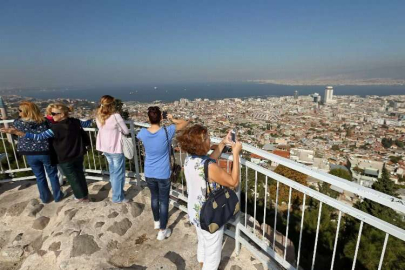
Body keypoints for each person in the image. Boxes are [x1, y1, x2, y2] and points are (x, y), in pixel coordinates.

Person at [177, 124, 242, 270]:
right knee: (213, 253)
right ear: (201, 144)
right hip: (210, 214)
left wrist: (223, 143)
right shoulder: (209, 167)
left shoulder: (189, 160)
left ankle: (201, 262)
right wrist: (236, 154)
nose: (209, 139)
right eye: (206, 138)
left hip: (195, 211)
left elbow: (209, 161)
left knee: (203, 240)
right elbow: (233, 182)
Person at [1, 103, 93, 202]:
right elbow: (87, 123)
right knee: (78, 174)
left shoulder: (55, 128)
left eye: (53, 114)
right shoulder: (75, 121)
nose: (51, 116)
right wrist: (96, 116)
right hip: (77, 153)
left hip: (63, 156)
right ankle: (78, 196)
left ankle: (79, 197)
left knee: (71, 178)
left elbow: (38, 137)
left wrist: (17, 133)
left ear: (61, 114)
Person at [136, 106, 189, 240]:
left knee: (154, 197)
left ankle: (157, 222)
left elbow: (139, 137)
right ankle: (162, 231)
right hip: (163, 172)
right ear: (161, 117)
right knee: (164, 201)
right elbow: (185, 123)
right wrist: (171, 118)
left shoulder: (142, 133)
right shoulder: (167, 131)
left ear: (148, 118)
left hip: (149, 172)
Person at [8, 101, 64, 203]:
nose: (18, 112)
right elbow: (53, 132)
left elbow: (16, 135)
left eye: (20, 110)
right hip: (45, 151)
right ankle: (58, 196)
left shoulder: (17, 123)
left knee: (40, 176)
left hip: (29, 153)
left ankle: (45, 198)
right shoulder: (45, 121)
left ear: (25, 112)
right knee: (52, 174)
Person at [95, 95, 130, 203]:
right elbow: (126, 131)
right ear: (111, 105)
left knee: (113, 173)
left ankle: (118, 192)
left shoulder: (98, 116)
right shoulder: (115, 116)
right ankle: (117, 197)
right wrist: (119, 128)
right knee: (118, 173)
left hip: (105, 148)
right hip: (115, 148)